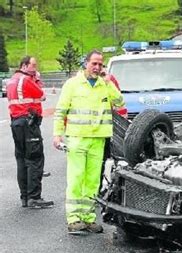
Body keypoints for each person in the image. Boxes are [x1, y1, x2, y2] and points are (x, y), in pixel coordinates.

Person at [53, 50, 124, 234]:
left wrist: (109, 83)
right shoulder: (73, 84)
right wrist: (57, 134)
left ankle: (88, 217)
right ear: (86, 63)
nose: (97, 67)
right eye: (94, 63)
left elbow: (119, 101)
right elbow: (61, 111)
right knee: (76, 178)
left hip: (98, 139)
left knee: (93, 181)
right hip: (77, 138)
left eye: (100, 64)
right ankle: (74, 219)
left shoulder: (104, 85)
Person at [7, 56, 54, 208]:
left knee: (21, 160)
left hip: (16, 123)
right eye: (33, 65)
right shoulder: (27, 80)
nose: (35, 68)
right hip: (29, 123)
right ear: (24, 66)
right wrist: (37, 79)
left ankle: (25, 197)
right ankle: (34, 197)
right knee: (34, 159)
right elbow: (42, 95)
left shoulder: (12, 80)